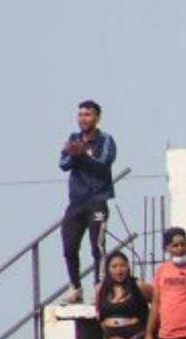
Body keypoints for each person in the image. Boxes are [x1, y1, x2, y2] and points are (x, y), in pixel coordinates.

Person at [59, 99, 115, 302]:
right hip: (76, 202)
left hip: (98, 200)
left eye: (88, 115)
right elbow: (63, 164)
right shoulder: (73, 138)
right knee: (69, 246)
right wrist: (75, 154)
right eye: (81, 115)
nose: (83, 119)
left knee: (97, 245)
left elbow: (104, 165)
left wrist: (84, 155)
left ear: (97, 117)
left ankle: (99, 286)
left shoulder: (105, 139)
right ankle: (75, 287)